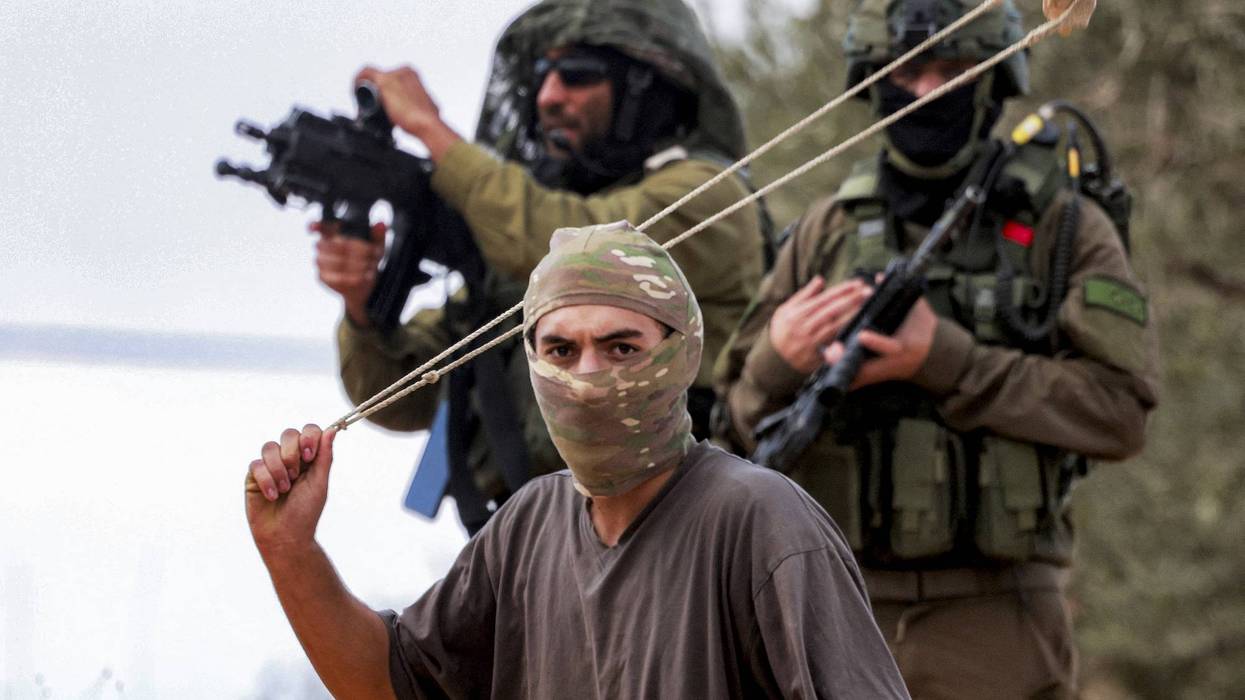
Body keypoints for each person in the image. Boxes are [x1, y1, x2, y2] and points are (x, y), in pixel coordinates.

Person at [247, 222, 909, 699]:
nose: (587, 377)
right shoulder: (526, 526)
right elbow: (384, 686)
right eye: (561, 351)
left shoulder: (760, 520)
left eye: (621, 349)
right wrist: (290, 552)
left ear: (681, 354)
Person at [714, 1, 1160, 698]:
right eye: (907, 71)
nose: (927, 92)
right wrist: (776, 362)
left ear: (995, 78)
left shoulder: (1063, 226)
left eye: (952, 70)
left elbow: (1119, 414)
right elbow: (729, 438)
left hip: (997, 622)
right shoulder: (823, 232)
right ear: (873, 79)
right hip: (832, 610)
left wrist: (946, 361)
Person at [316, 0, 767, 534]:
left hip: (678, 536)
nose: (550, 96)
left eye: (577, 75)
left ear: (645, 86)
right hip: (538, 551)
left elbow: (572, 245)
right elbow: (397, 397)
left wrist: (430, 131)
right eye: (541, 77)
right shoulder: (534, 255)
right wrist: (363, 309)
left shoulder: (705, 195)